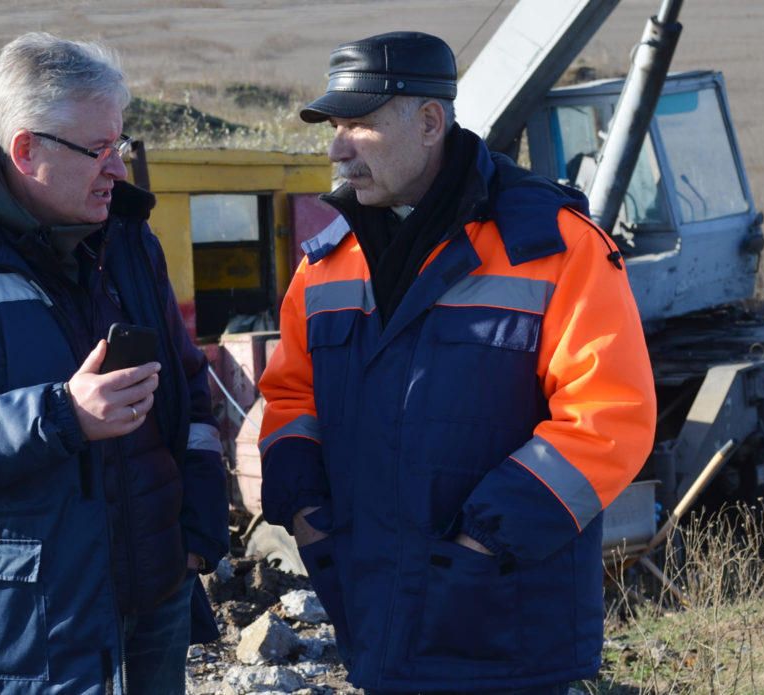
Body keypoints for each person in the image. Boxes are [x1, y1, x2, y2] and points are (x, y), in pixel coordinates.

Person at [258, 31, 657, 694]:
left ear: (430, 121)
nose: (337, 147)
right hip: (374, 624)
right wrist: (304, 507)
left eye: (359, 124)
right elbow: (290, 399)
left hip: (506, 636)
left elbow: (610, 419)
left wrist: (482, 542)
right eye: (334, 126)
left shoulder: (556, 248)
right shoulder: (325, 264)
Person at [0, 33, 228, 695]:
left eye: (118, 144)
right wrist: (63, 415)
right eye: (98, 149)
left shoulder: (131, 244)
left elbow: (190, 395)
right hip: (23, 635)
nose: (117, 168)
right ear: (26, 150)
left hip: (155, 602)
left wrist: (196, 533)